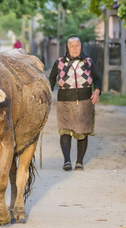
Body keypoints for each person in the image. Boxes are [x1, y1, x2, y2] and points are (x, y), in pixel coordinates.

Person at [49, 36, 102, 171]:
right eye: (71, 46)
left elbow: (97, 78)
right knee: (65, 131)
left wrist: (96, 92)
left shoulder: (88, 62)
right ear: (67, 48)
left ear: (81, 47)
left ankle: (79, 161)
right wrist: (46, 95)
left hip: (84, 103)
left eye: (77, 45)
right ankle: (67, 161)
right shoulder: (59, 62)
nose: (74, 48)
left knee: (82, 132)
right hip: (64, 102)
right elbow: (51, 80)